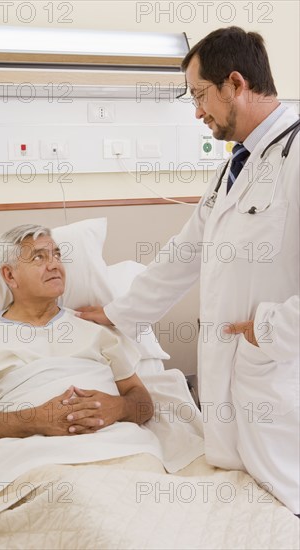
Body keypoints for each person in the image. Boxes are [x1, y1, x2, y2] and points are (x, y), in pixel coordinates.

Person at [77, 27, 300, 513]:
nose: (197, 110)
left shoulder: (296, 155)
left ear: (235, 84)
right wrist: (119, 313)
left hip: (279, 380)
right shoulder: (236, 167)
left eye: (200, 95)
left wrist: (269, 329)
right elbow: (185, 252)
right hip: (233, 408)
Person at [0, 224, 154, 449]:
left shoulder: (94, 326)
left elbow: (143, 403)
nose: (54, 265)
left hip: (118, 447)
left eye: (57, 255)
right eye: (39, 257)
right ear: (10, 275)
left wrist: (118, 408)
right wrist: (37, 420)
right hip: (35, 457)